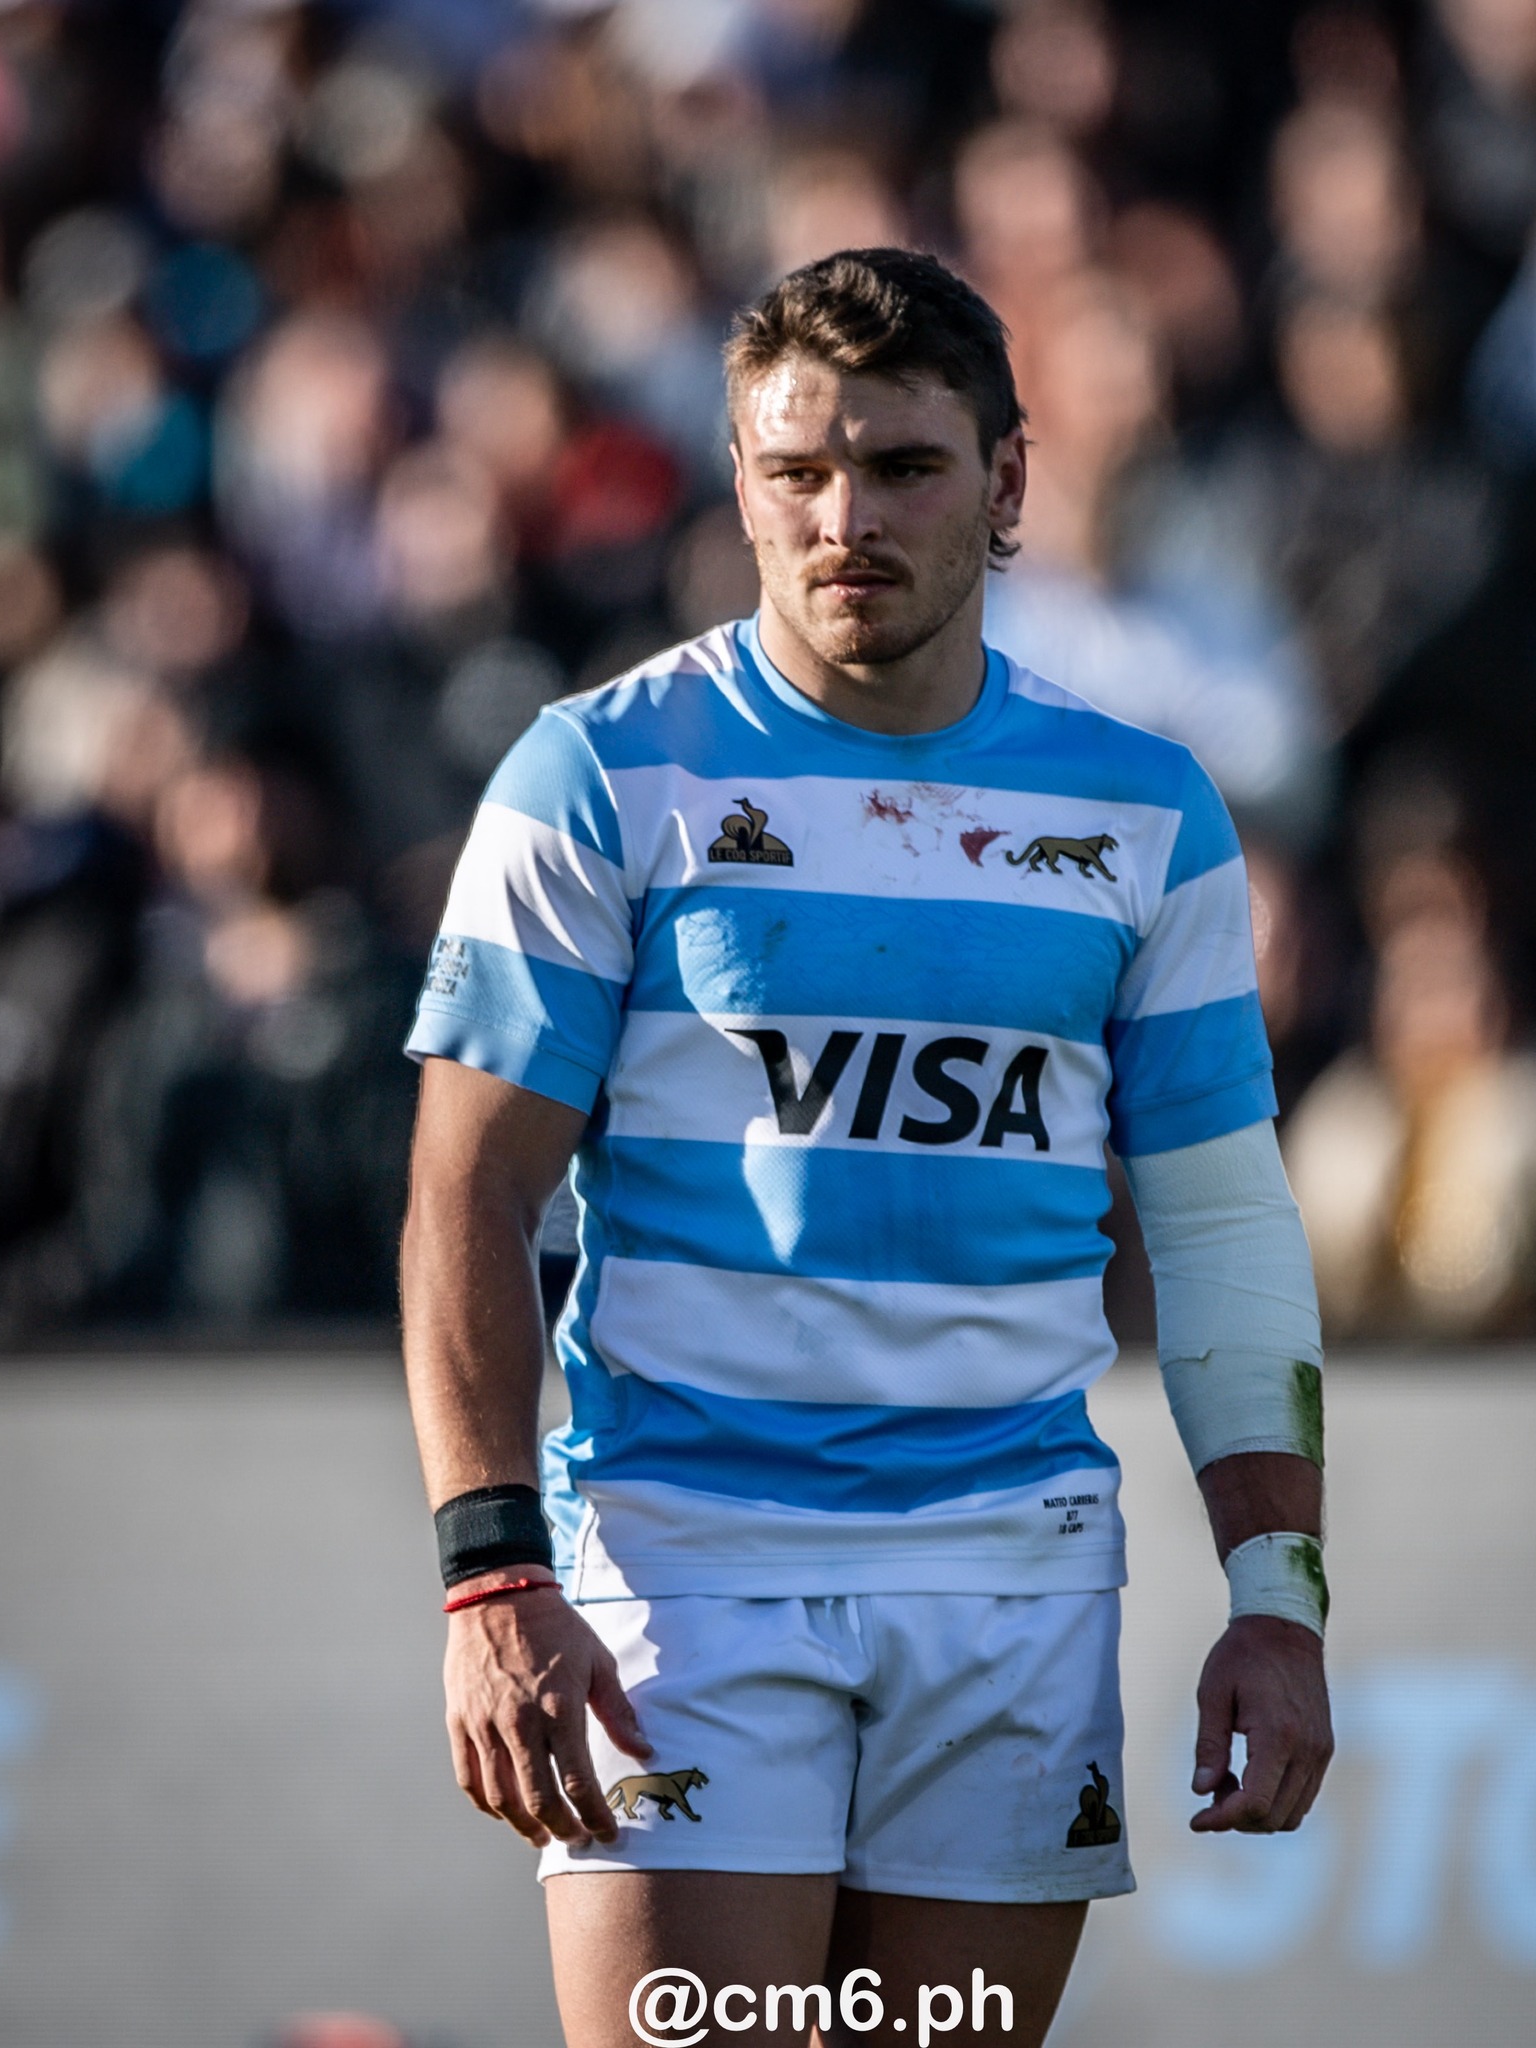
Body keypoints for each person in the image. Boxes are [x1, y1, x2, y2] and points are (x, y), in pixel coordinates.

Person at [399, 250, 1330, 2047]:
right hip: (685, 1561)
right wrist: (493, 1571)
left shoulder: (1146, 811)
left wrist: (1274, 1598)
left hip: (1011, 1578)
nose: (845, 518)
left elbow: (1220, 1227)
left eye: (902, 467)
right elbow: (471, 1185)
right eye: (795, 472)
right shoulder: (597, 775)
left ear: (1004, 485)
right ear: (739, 486)